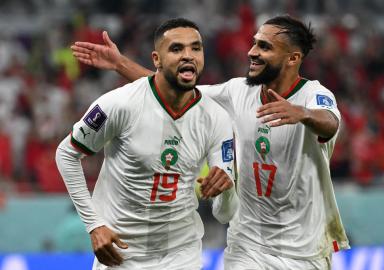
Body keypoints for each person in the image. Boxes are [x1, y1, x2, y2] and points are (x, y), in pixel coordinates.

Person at [71, 15, 350, 269]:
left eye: (264, 47)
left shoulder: (314, 94)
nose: (252, 52)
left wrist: (302, 114)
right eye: (254, 44)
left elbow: (330, 121)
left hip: (304, 250)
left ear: (292, 58)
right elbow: (172, 87)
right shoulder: (238, 91)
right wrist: (120, 64)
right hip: (248, 244)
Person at [56, 18, 239, 270]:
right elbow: (66, 154)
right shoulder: (120, 104)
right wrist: (94, 224)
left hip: (181, 255)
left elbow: (225, 213)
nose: (188, 55)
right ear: (156, 59)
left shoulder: (216, 118)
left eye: (195, 48)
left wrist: (227, 188)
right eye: (176, 49)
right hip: (120, 254)